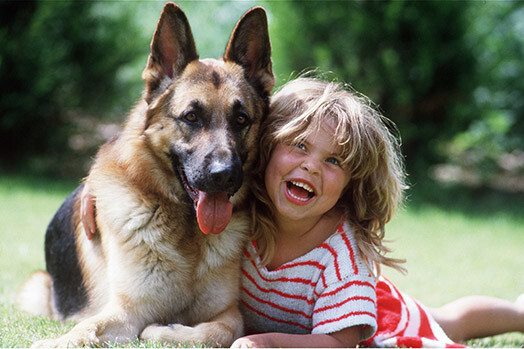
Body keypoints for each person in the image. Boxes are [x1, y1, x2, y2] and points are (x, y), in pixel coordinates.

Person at [81, 77, 524, 348]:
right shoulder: (246, 202)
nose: (312, 165)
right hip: (307, 318)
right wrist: (93, 189)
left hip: (368, 317)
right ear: (267, 149)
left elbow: (339, 341)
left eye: (334, 161)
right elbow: (145, 178)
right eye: (299, 146)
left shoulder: (342, 258)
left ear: (352, 181)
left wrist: (268, 342)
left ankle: (519, 313)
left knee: (449, 320)